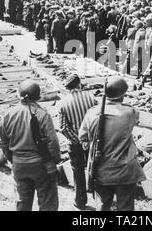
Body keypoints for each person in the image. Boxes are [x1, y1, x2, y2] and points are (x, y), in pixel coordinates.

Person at [79, 76, 146, 211]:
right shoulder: (130, 112)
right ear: (122, 94)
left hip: (100, 169)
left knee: (103, 206)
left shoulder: (91, 113)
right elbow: (136, 119)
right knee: (125, 208)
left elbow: (83, 137)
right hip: (125, 170)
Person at [0, 80, 61, 211]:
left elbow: (3, 142)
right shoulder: (42, 114)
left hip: (18, 165)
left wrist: (11, 158)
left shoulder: (8, 115)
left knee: (22, 203)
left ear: (18, 95)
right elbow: (53, 143)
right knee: (48, 203)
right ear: (38, 97)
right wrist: (54, 161)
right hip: (41, 166)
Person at [59, 74, 97, 210]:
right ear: (79, 84)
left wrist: (78, 140)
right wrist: (88, 139)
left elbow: (63, 128)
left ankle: (80, 201)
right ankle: (99, 199)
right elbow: (98, 119)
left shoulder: (63, 103)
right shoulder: (91, 98)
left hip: (75, 145)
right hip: (92, 142)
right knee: (95, 170)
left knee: (78, 172)